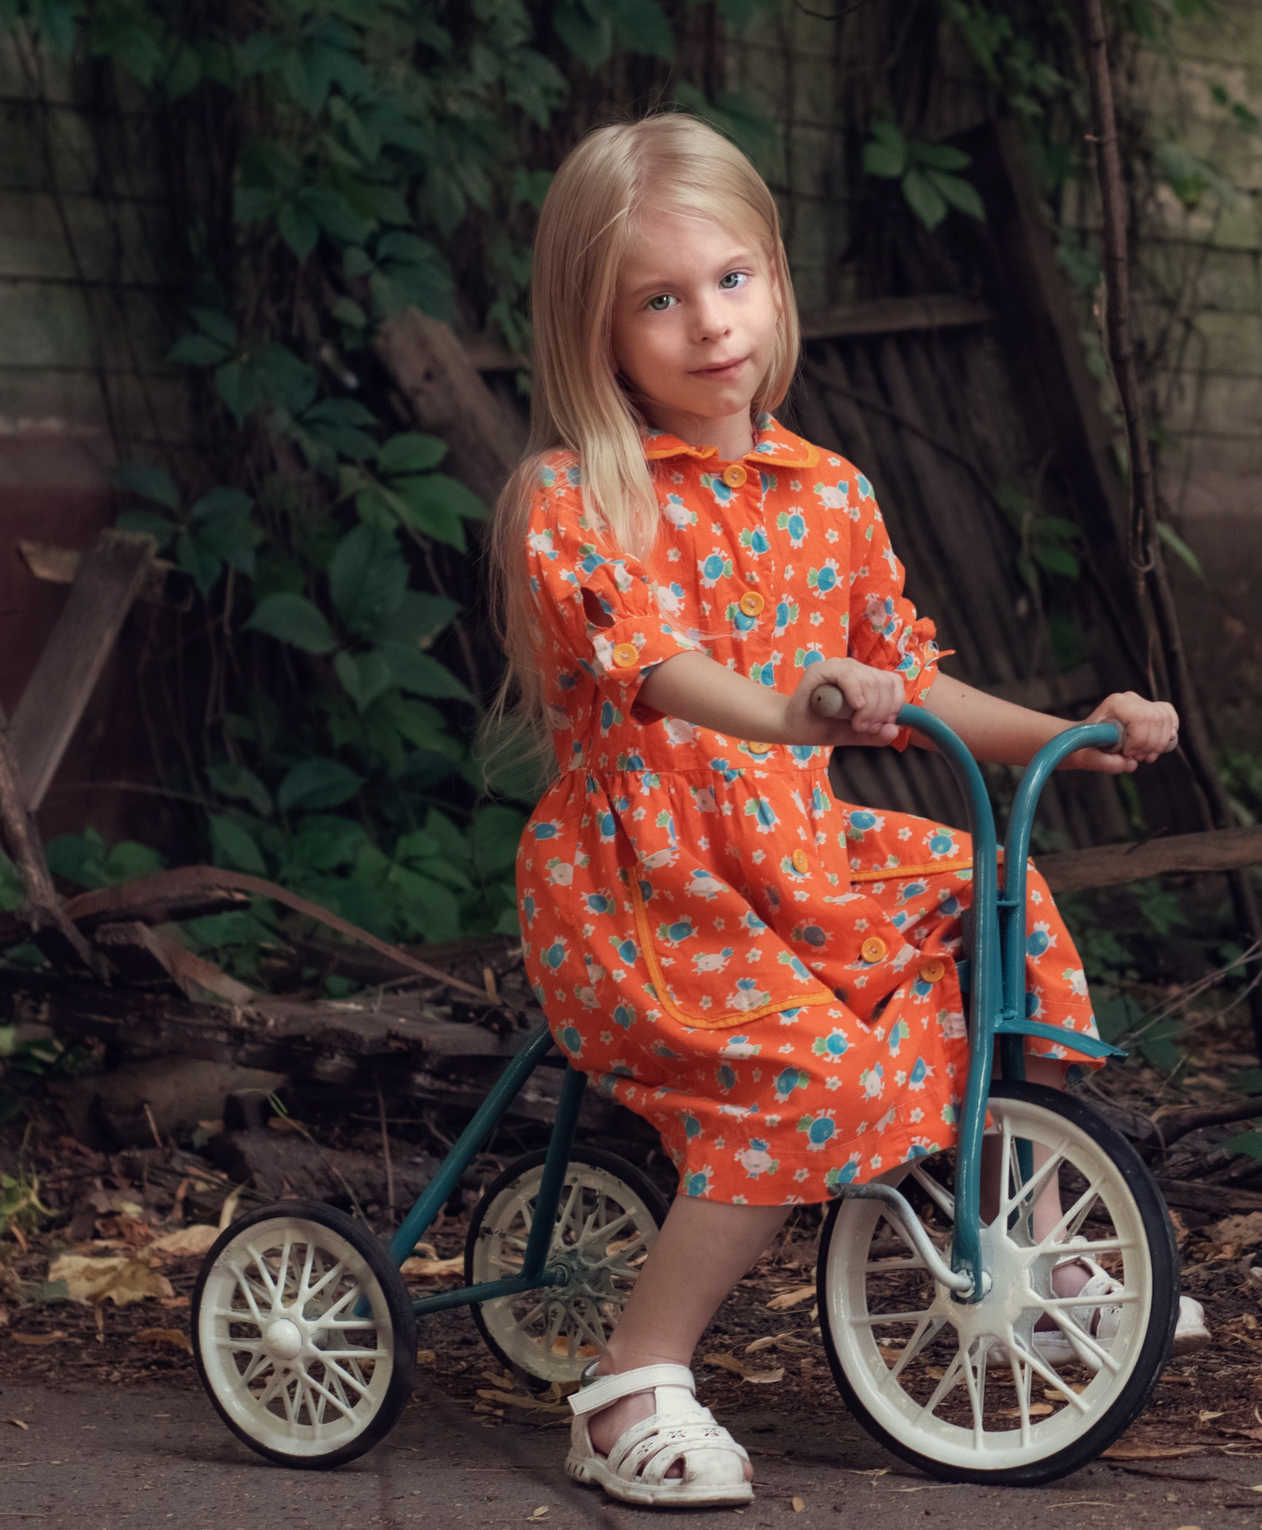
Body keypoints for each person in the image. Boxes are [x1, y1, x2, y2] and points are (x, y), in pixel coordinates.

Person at [492, 113, 1205, 1508]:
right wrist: (795, 708)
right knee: (812, 1069)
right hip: (644, 887)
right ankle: (630, 1377)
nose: (708, 323)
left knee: (993, 886)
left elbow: (917, 673)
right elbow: (662, 671)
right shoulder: (576, 498)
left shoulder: (832, 492)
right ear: (598, 330)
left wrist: (1075, 730)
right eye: (659, 299)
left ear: (776, 279)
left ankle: (1037, 1238)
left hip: (795, 856)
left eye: (732, 278)